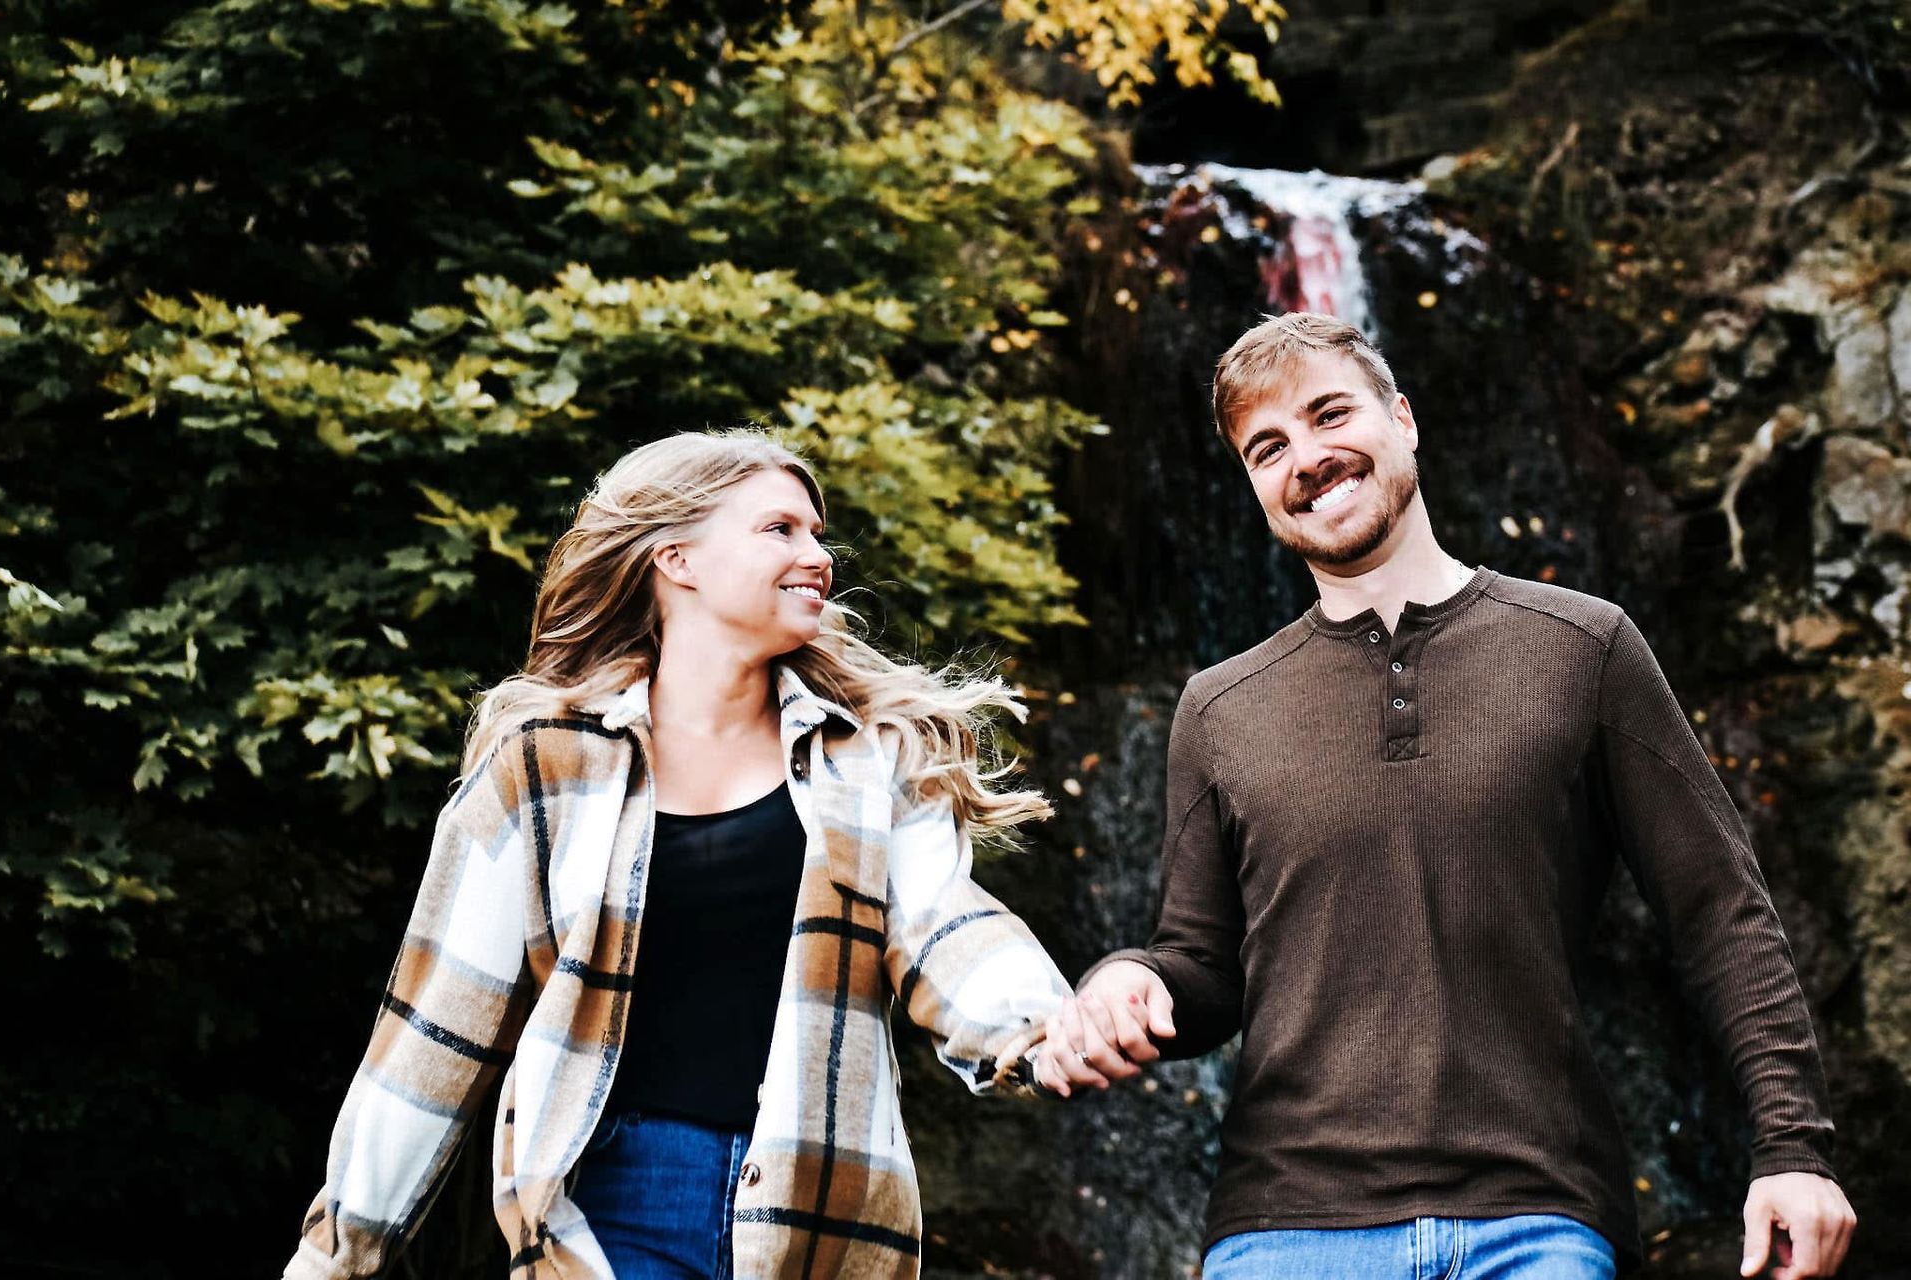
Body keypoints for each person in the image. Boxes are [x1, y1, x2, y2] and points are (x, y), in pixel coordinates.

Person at [1037, 313, 1857, 1280]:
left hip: (1541, 1218)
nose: (1306, 455)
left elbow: (1720, 911)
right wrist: (1133, 978)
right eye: (1268, 447)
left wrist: (1794, 1149)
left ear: (1404, 418)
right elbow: (1204, 972)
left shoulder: (1583, 647)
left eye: (1328, 412)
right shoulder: (1218, 708)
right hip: (1284, 1230)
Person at [283, 430, 1076, 1280]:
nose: (818, 555)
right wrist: (336, 1256)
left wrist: (1040, 1028)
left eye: (817, 533)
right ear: (677, 559)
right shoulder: (544, 766)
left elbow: (945, 926)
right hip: (609, 1207)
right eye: (781, 530)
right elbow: (437, 1034)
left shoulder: (871, 757)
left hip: (826, 1212)